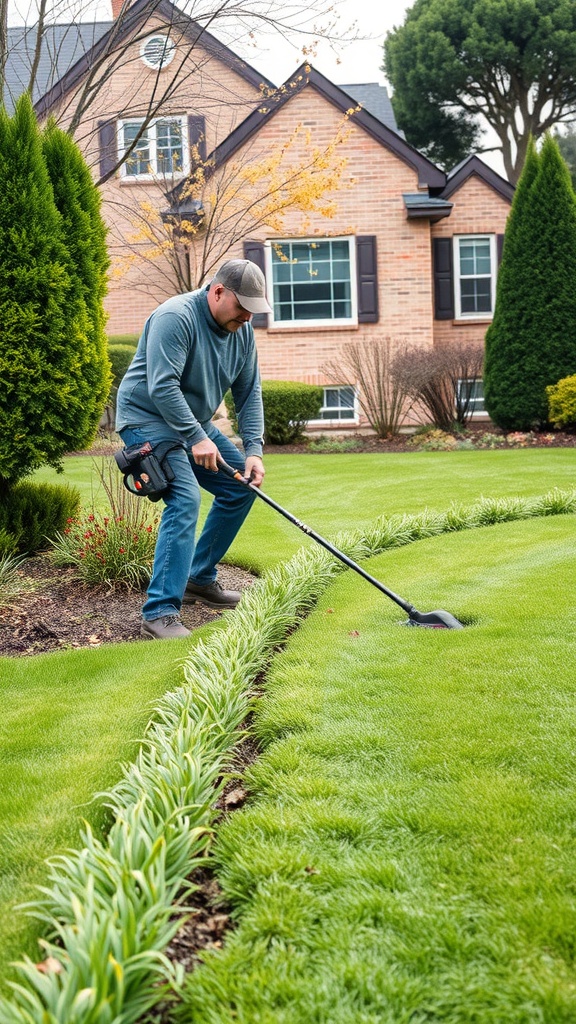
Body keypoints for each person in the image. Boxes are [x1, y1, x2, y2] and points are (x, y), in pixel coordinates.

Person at [115, 258, 271, 640]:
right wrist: (196, 438)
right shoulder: (175, 317)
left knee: (240, 487)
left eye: (254, 311)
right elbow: (163, 386)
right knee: (185, 499)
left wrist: (254, 449)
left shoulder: (241, 332)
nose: (248, 319)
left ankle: (198, 579)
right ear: (218, 292)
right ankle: (159, 613)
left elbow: (248, 393)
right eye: (242, 309)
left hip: (192, 423)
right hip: (146, 419)